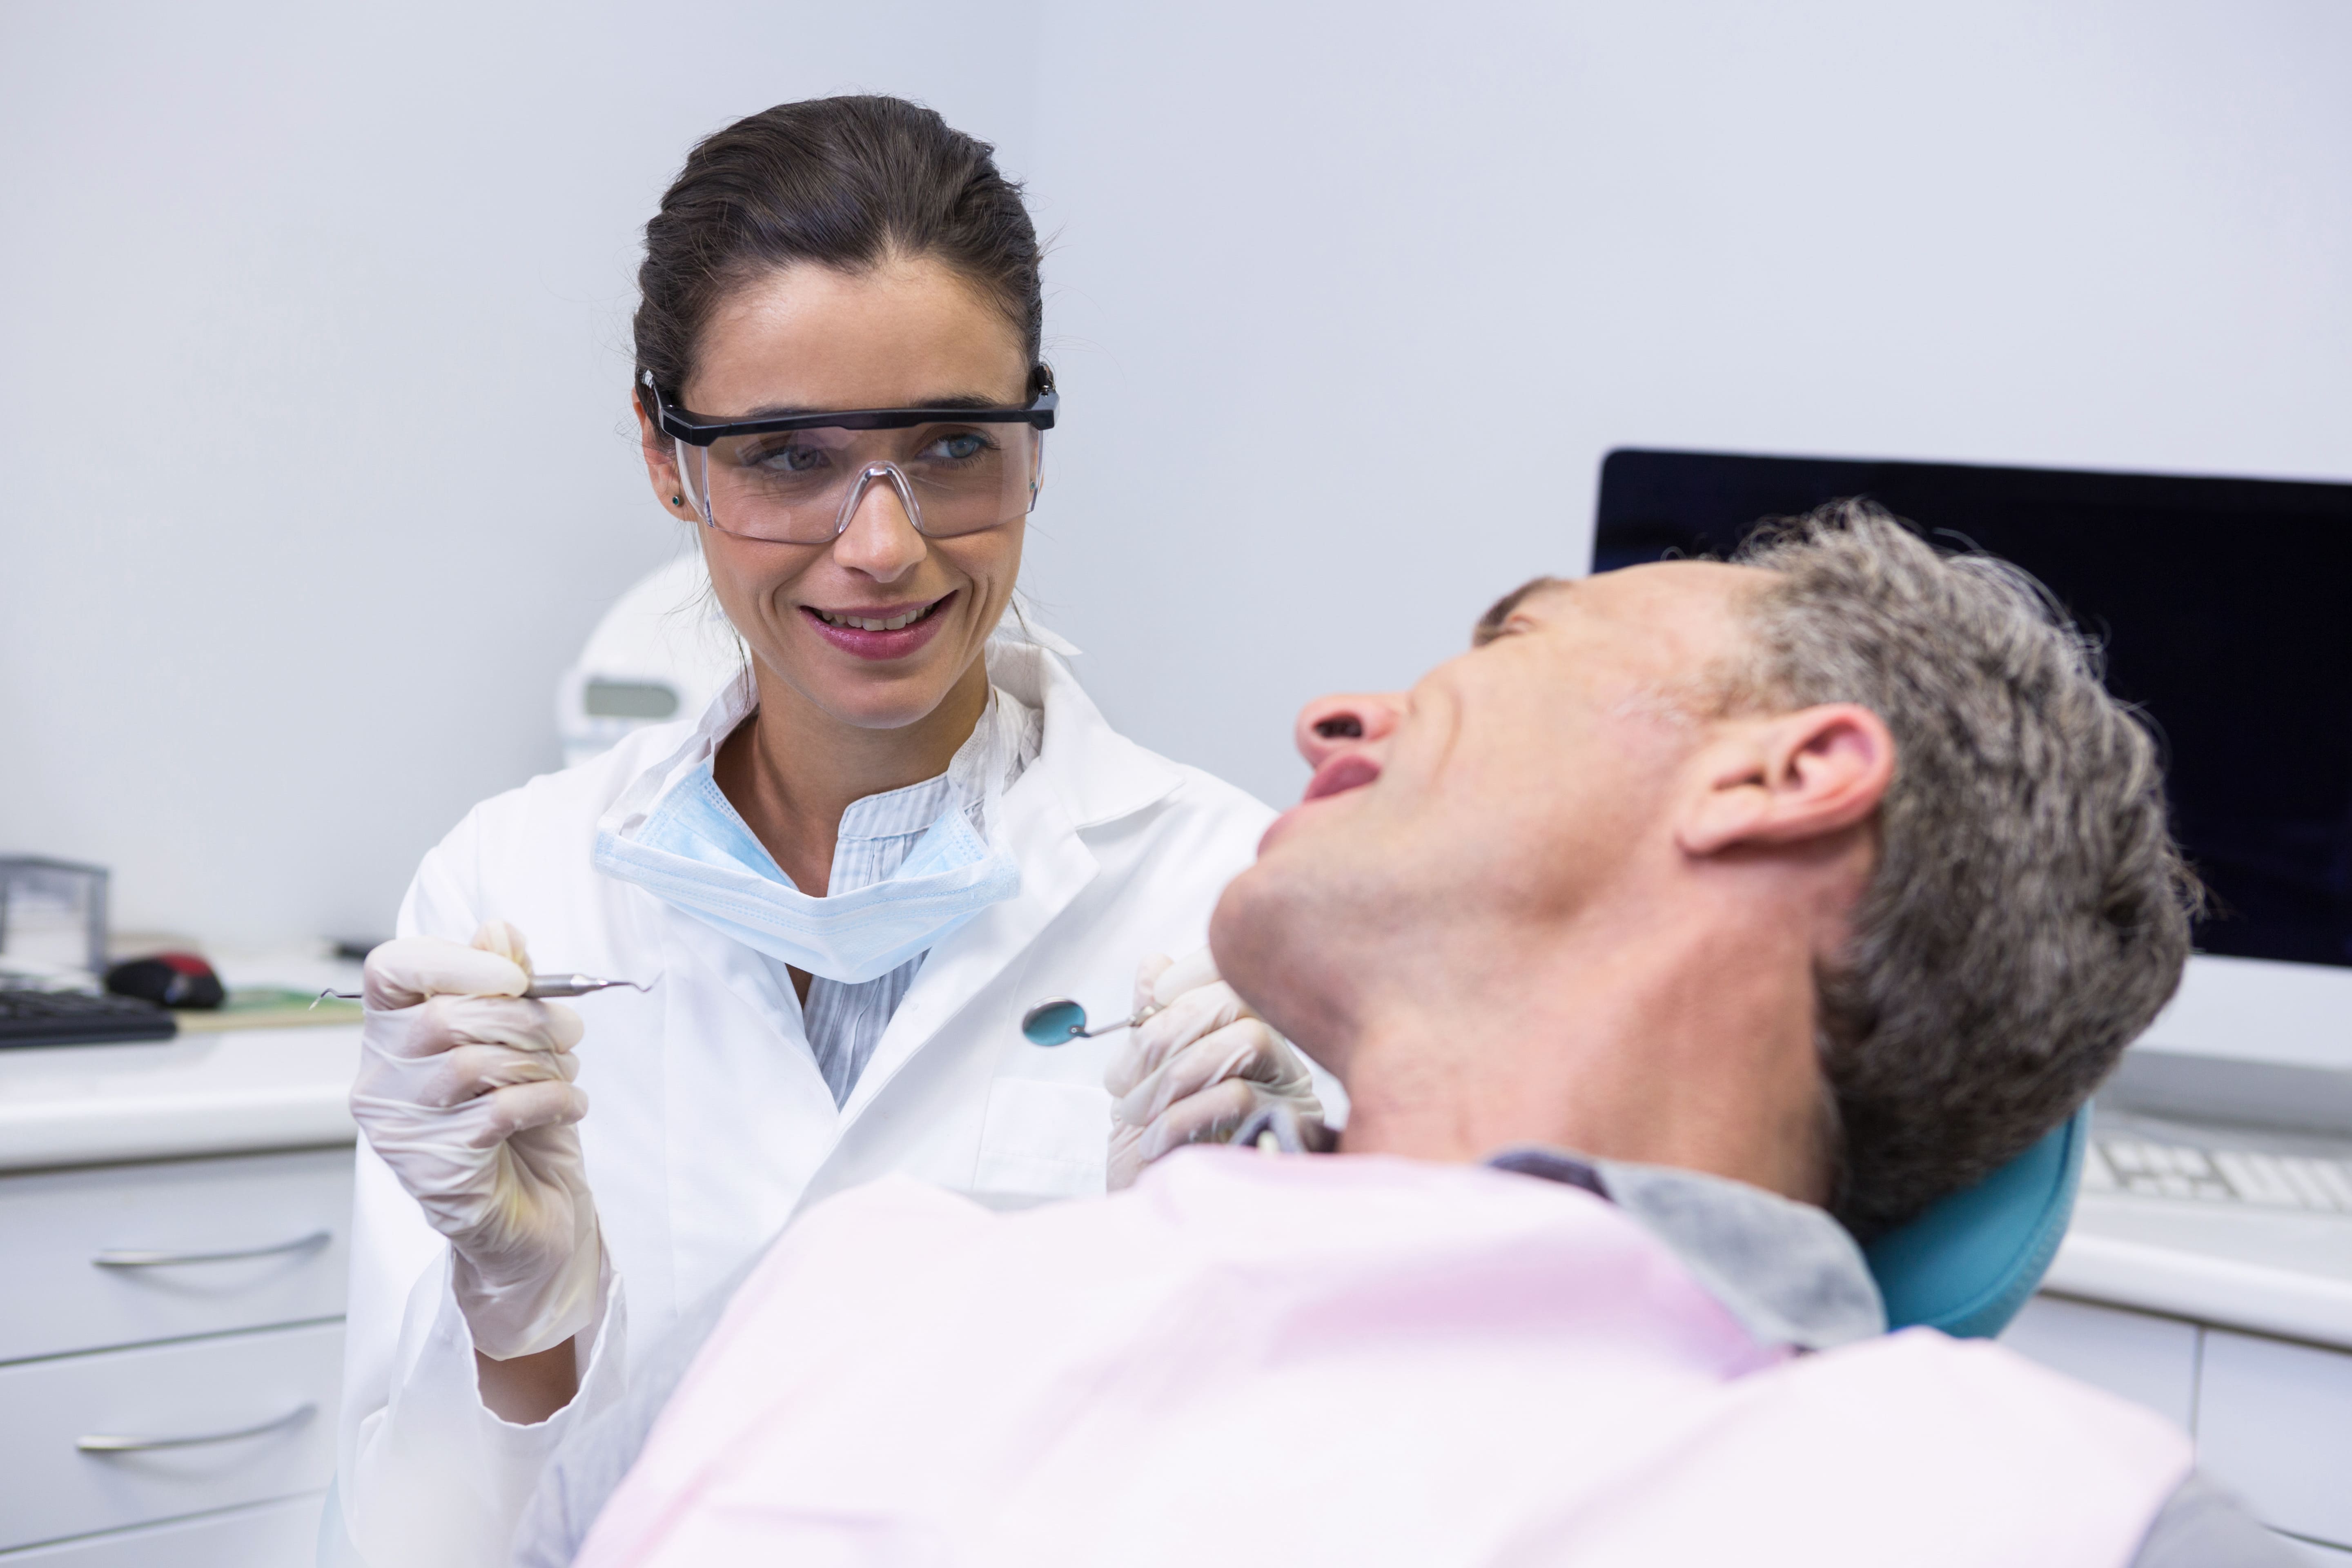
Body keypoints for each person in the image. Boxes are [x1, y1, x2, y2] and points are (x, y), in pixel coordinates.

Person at [530, 504, 2291, 1567]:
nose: (1339, 714)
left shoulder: (2017, 1515)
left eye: (1514, 645)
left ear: (1786, 776)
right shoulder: (869, 1293)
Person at [332, 96, 1334, 1567]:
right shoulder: (509, 892)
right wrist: (520, 1322)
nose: (883, 544)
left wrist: (1208, 1285)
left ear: (1037, 441)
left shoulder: (1233, 901)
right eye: (787, 456)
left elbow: (1313, 1494)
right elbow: (423, 1529)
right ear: (669, 458)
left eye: (949, 445)